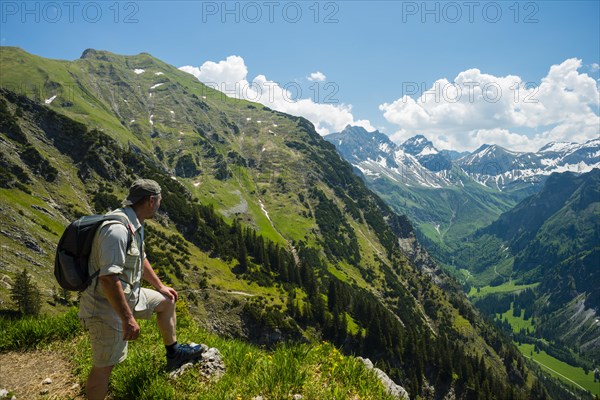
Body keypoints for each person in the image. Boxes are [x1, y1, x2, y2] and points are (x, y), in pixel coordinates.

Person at [78, 179, 203, 400]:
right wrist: (127, 319)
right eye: (159, 201)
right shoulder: (116, 230)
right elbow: (108, 279)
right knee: (104, 366)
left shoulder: (135, 222)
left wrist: (160, 286)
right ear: (151, 200)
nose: (160, 206)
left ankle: (173, 353)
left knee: (167, 302)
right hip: (106, 307)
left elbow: (140, 258)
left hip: (130, 296)